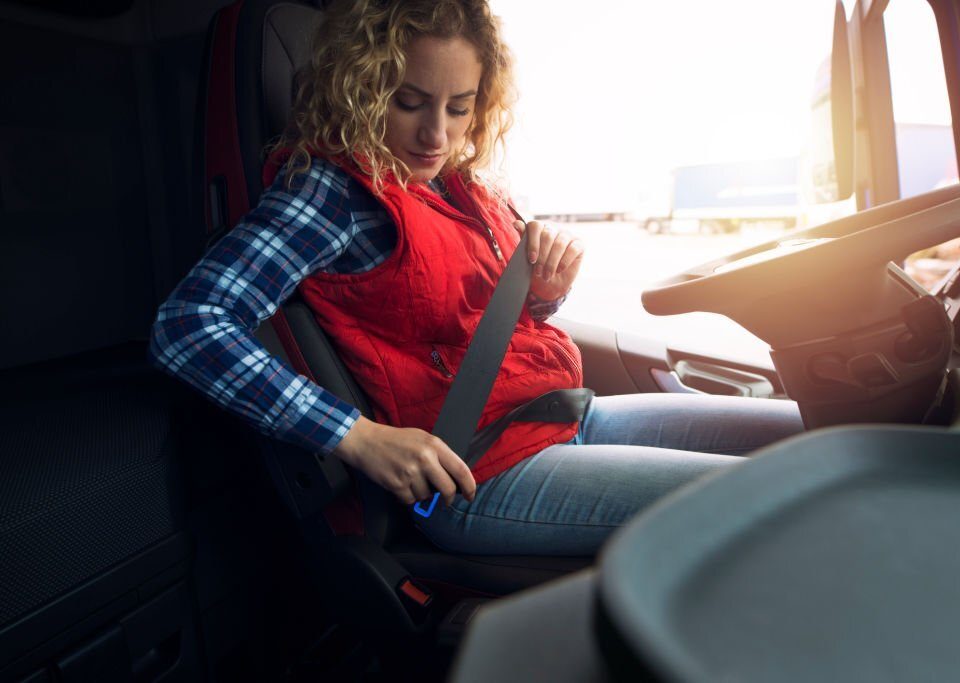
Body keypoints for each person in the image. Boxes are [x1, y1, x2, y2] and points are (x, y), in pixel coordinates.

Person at [150, 0, 804, 556]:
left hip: (565, 418)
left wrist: (545, 286)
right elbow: (189, 325)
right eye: (409, 103)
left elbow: (481, 326)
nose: (437, 134)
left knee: (815, 433)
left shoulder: (463, 186)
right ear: (363, 87)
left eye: (459, 108)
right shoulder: (333, 192)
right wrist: (356, 435)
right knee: (785, 504)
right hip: (483, 471)